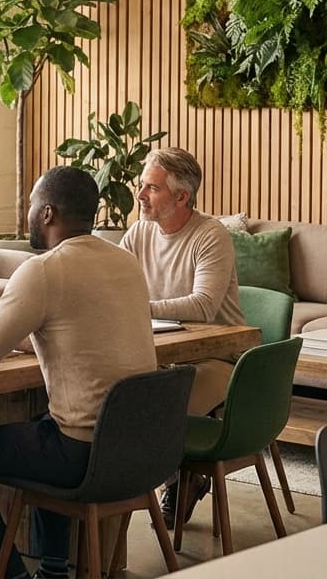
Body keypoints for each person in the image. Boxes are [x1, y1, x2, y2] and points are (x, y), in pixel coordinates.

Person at [0, 166, 156, 579]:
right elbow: (73, 332)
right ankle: (54, 569)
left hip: (80, 453)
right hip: (138, 446)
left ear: (48, 214)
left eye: (32, 205)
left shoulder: (43, 270)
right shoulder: (125, 262)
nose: (27, 214)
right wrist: (1, 331)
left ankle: (12, 576)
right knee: (40, 425)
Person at [118, 146, 246, 528]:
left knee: (155, 412)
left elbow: (204, 305)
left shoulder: (211, 235)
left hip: (218, 359)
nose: (140, 195)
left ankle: (175, 479)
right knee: (112, 404)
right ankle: (176, 478)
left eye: (151, 188)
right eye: (142, 185)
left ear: (181, 196)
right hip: (158, 355)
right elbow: (111, 283)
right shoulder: (139, 232)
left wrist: (141, 306)